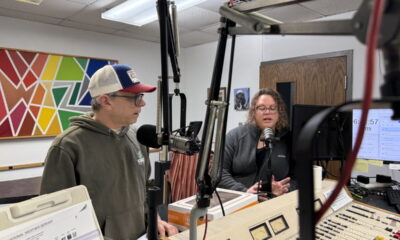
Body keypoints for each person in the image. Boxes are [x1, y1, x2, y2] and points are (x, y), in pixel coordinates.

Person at [40, 64, 178, 239]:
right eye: (135, 97)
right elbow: (56, 215)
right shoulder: (67, 146)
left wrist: (154, 218)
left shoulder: (137, 136)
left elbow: (145, 188)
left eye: (140, 96)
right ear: (105, 101)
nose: (142, 103)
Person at [219, 88, 294, 199]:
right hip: (238, 201)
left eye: (272, 108)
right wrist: (245, 192)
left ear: (279, 112)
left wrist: (283, 189)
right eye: (261, 108)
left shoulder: (289, 139)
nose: (267, 112)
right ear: (254, 112)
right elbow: (219, 173)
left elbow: (298, 177)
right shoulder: (234, 136)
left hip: (276, 202)